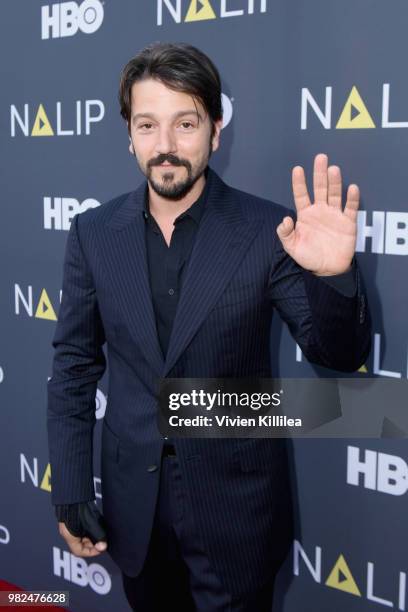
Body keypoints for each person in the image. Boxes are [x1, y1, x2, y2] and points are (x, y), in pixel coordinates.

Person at [47, 42, 371, 611]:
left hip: (237, 515)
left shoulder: (267, 229)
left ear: (215, 131)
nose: (165, 146)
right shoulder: (92, 233)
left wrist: (334, 278)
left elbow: (339, 355)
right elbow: (74, 368)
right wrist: (70, 488)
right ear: (129, 133)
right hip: (134, 513)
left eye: (185, 123)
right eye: (147, 125)